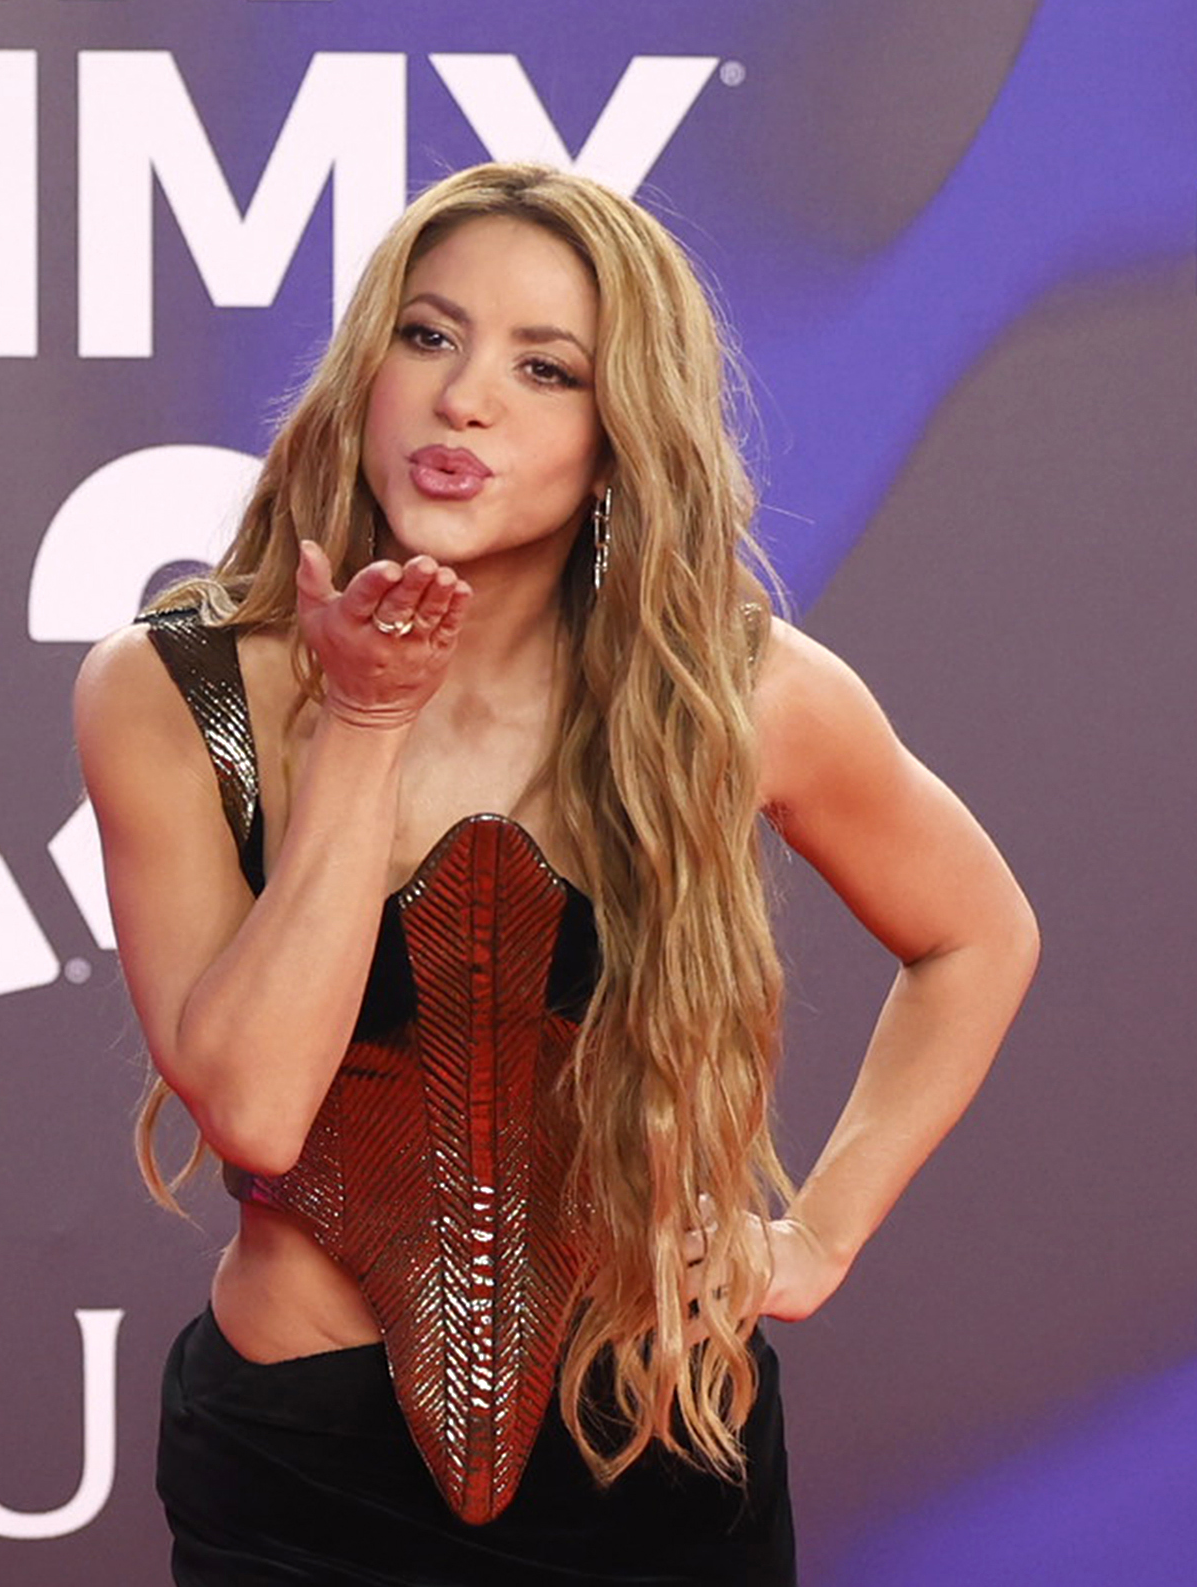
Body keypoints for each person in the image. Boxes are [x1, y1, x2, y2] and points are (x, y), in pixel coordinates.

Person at [70, 162, 1039, 1584]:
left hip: (650, 1450)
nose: (465, 398)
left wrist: (815, 1235)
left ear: (617, 432)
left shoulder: (739, 694)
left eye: (545, 368)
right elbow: (261, 1111)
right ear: (365, 370)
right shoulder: (174, 691)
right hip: (301, 1471)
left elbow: (974, 936)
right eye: (427, 334)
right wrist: (362, 724)